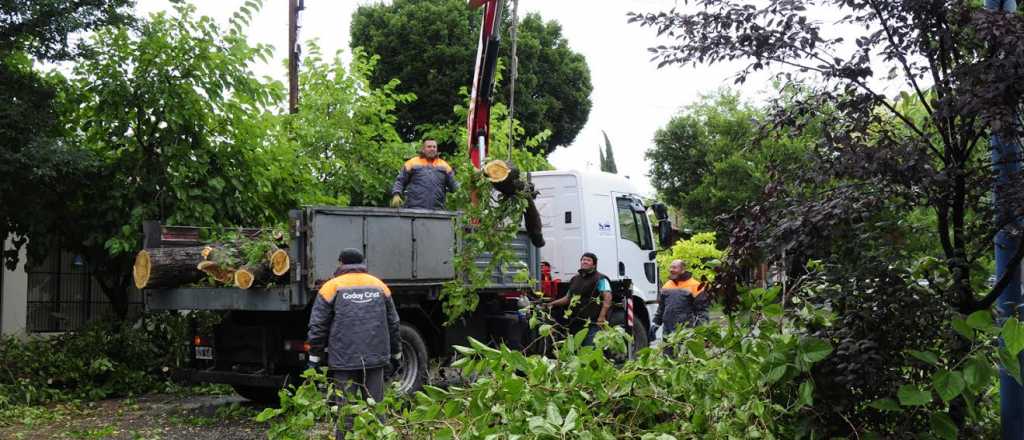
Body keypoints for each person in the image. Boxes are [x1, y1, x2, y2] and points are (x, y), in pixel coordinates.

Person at [307, 248, 402, 440]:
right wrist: (396, 354)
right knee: (377, 410)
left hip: (344, 360)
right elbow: (394, 323)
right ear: (362, 263)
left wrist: (314, 359)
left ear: (341, 263)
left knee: (345, 413)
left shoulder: (331, 287)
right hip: (375, 360)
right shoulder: (379, 285)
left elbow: (317, 326)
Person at [544, 252, 612, 347]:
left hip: (592, 322)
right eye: (583, 259)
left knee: (589, 349)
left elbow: (607, 298)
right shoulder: (575, 279)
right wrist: (552, 303)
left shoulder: (600, 279)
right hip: (576, 321)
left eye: (588, 260)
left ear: (594, 264)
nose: (585, 262)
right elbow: (568, 298)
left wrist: (601, 317)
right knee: (576, 349)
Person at [390, 139, 458, 210]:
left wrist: (465, 193)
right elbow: (400, 180)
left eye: (434, 147)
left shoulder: (445, 166)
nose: (432, 149)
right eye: (429, 146)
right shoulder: (412, 162)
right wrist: (396, 194)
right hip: (414, 210)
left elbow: (454, 186)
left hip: (437, 211)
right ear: (423, 149)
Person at [652, 259, 705, 338]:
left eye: (674, 268)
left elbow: (702, 311)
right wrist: (655, 324)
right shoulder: (666, 286)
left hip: (686, 332)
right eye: (670, 268)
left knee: (684, 350)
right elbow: (661, 308)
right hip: (668, 332)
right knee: (667, 350)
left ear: (683, 269)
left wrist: (701, 333)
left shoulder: (695, 285)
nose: (671, 270)